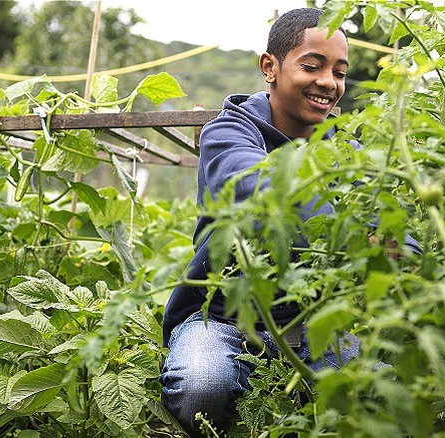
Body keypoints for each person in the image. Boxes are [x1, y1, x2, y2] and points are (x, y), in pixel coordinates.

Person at [159, 7, 420, 435]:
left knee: (377, 387)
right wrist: (353, 233)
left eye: (339, 72)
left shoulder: (349, 152)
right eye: (312, 66)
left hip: (319, 323)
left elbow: (392, 226)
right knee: (203, 386)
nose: (328, 83)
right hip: (224, 320)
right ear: (270, 67)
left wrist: (402, 254)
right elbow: (258, 194)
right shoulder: (229, 133)